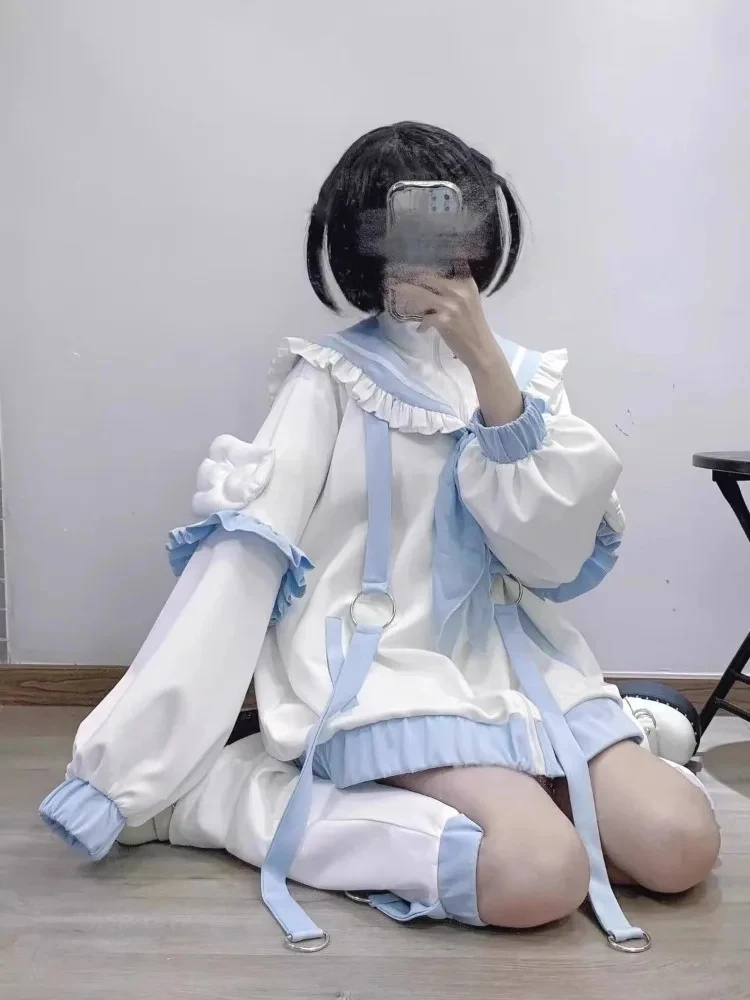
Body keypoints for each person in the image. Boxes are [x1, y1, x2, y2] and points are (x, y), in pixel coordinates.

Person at [40, 122, 719, 953]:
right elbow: (243, 562)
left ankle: (556, 770)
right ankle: (219, 795)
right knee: (539, 873)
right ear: (361, 241)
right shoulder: (328, 380)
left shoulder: (528, 380)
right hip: (384, 675)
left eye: (455, 218)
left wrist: (486, 367)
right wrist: (130, 768)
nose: (436, 245)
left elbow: (550, 559)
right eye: (405, 224)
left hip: (520, 670)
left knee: (681, 845)